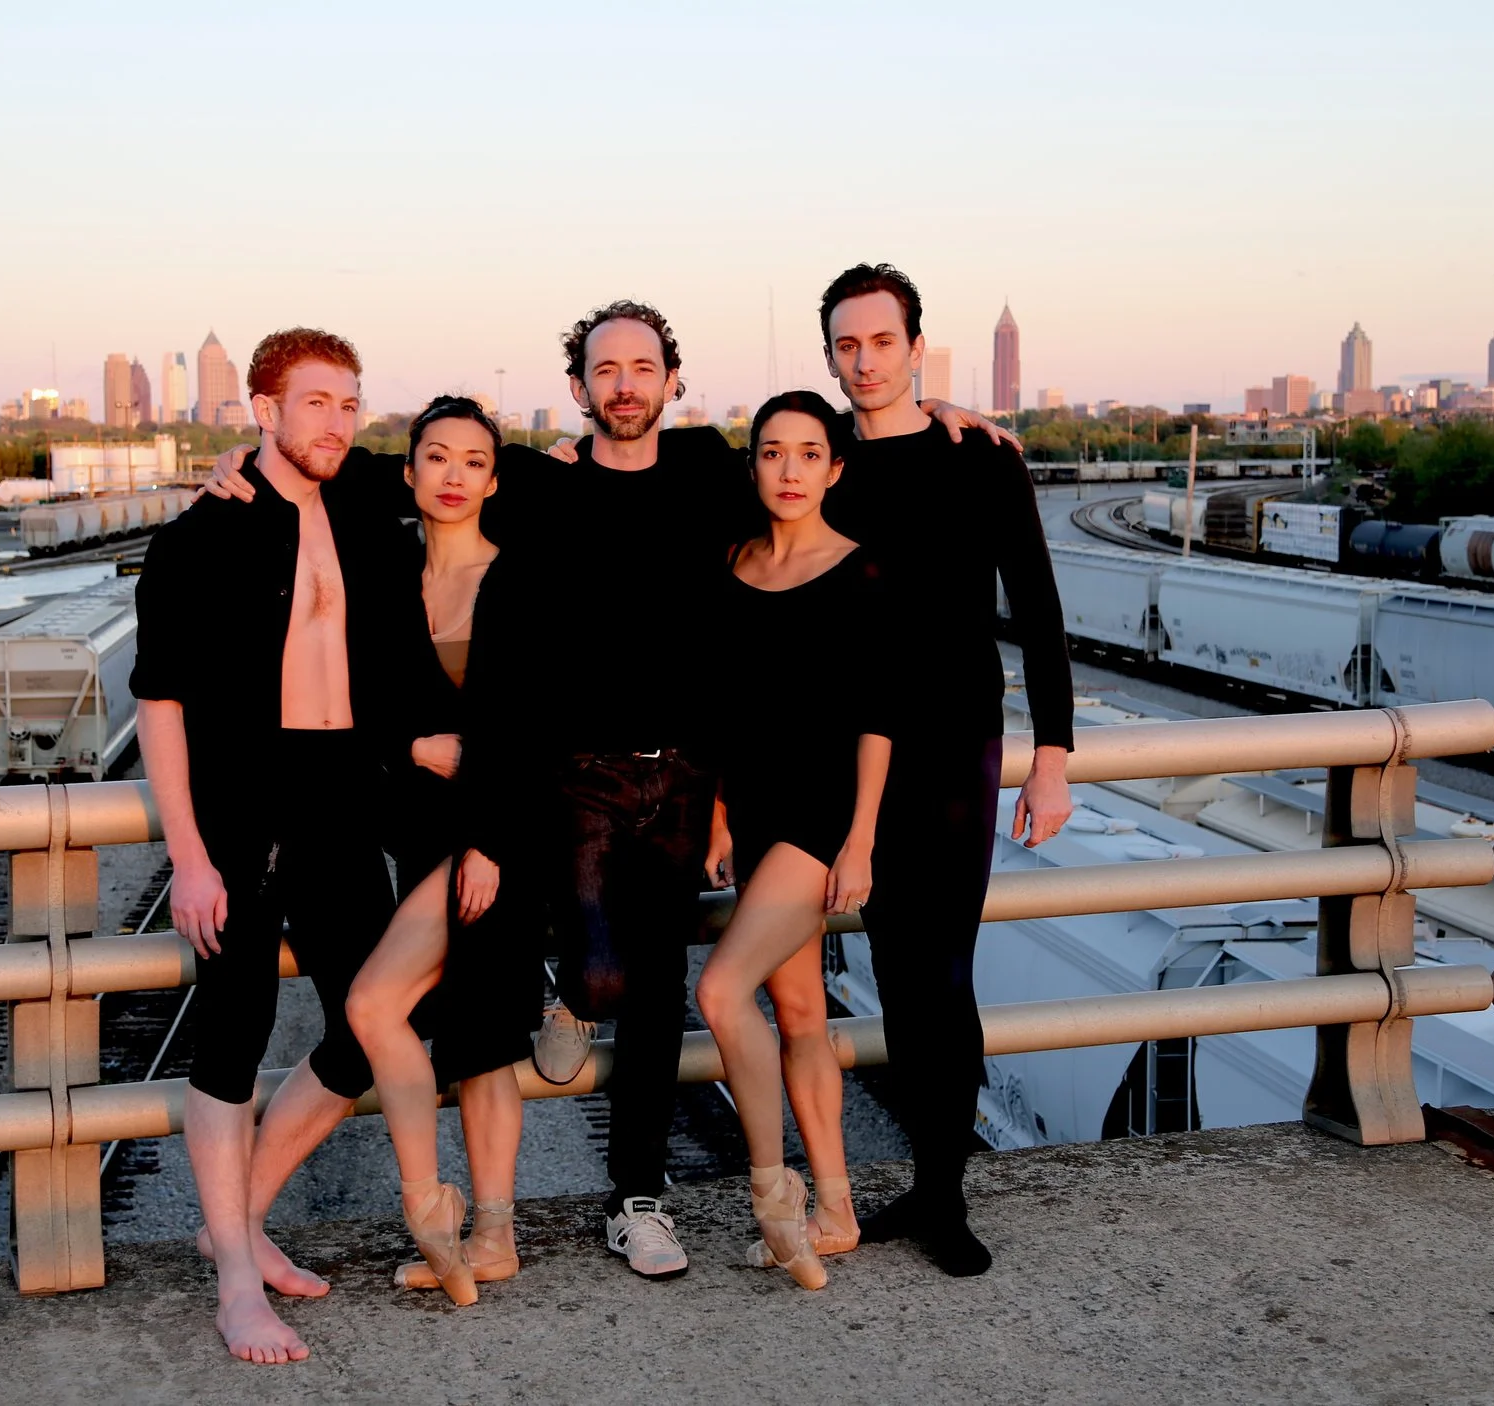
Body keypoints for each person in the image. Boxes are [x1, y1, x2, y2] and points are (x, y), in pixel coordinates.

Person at [200, 301, 1019, 1281]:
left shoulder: (712, 468)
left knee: (661, 993)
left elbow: (820, 458)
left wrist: (938, 414)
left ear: (671, 380)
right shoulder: (537, 482)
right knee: (594, 977)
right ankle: (570, 1016)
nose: (624, 385)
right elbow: (395, 466)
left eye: (642, 368)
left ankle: (640, 1199)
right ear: (578, 386)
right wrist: (245, 457)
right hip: (575, 780)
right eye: (605, 369)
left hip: (683, 778)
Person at [130, 327, 439, 1364]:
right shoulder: (199, 536)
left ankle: (241, 1218)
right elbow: (160, 704)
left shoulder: (368, 508)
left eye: (350, 403)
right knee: (233, 1033)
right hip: (241, 811)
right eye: (316, 402)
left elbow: (482, 463)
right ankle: (233, 1280)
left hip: (345, 799)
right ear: (263, 410)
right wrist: (189, 855)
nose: (337, 422)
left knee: (370, 1021)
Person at [816, 263, 1076, 1278]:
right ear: (830, 354)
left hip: (958, 743)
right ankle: (923, 1182)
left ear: (917, 347)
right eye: (847, 344)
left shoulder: (982, 459)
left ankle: (945, 1194)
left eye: (882, 342)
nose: (865, 361)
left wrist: (1051, 759)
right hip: (850, 752)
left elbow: (1039, 610)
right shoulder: (820, 457)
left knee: (945, 972)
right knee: (890, 969)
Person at [691, 391, 896, 1291]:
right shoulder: (732, 565)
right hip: (756, 811)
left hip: (820, 820)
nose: (790, 470)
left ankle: (775, 1194)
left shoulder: (861, 570)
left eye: (810, 453)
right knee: (803, 1014)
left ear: (835, 468)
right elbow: (721, 708)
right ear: (752, 467)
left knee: (719, 989)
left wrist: (861, 840)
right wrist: (720, 814)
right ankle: (837, 1212)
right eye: (773, 452)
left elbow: (879, 717)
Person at [341, 395, 543, 1306]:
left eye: (473, 461)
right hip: (422, 837)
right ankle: (492, 1238)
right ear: (409, 471)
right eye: (436, 457)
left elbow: (538, 727)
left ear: (494, 481)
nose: (454, 475)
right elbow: (360, 704)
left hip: (500, 839)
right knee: (480, 1042)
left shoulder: (522, 578)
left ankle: (432, 1205)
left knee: (375, 1004)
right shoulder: (385, 573)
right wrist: (409, 748)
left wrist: (491, 843)